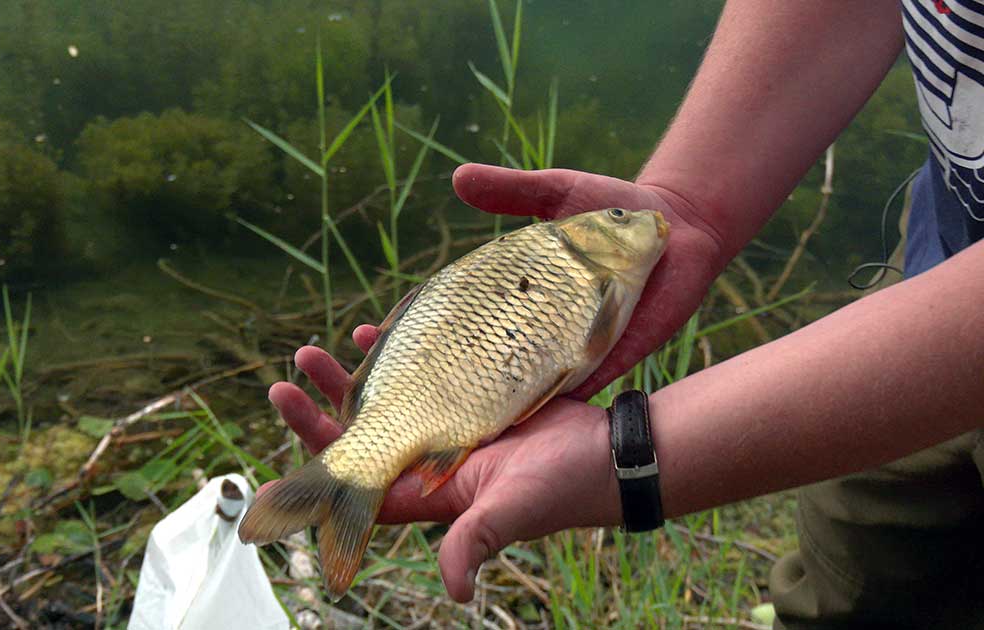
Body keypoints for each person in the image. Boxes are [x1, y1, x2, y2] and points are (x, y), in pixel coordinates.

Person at [264, 2, 984, 627]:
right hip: (944, 243)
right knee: (855, 571)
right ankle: (351, 473)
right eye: (619, 220)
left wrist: (628, 457)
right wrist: (692, 201)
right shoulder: (584, 266)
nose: (635, 222)